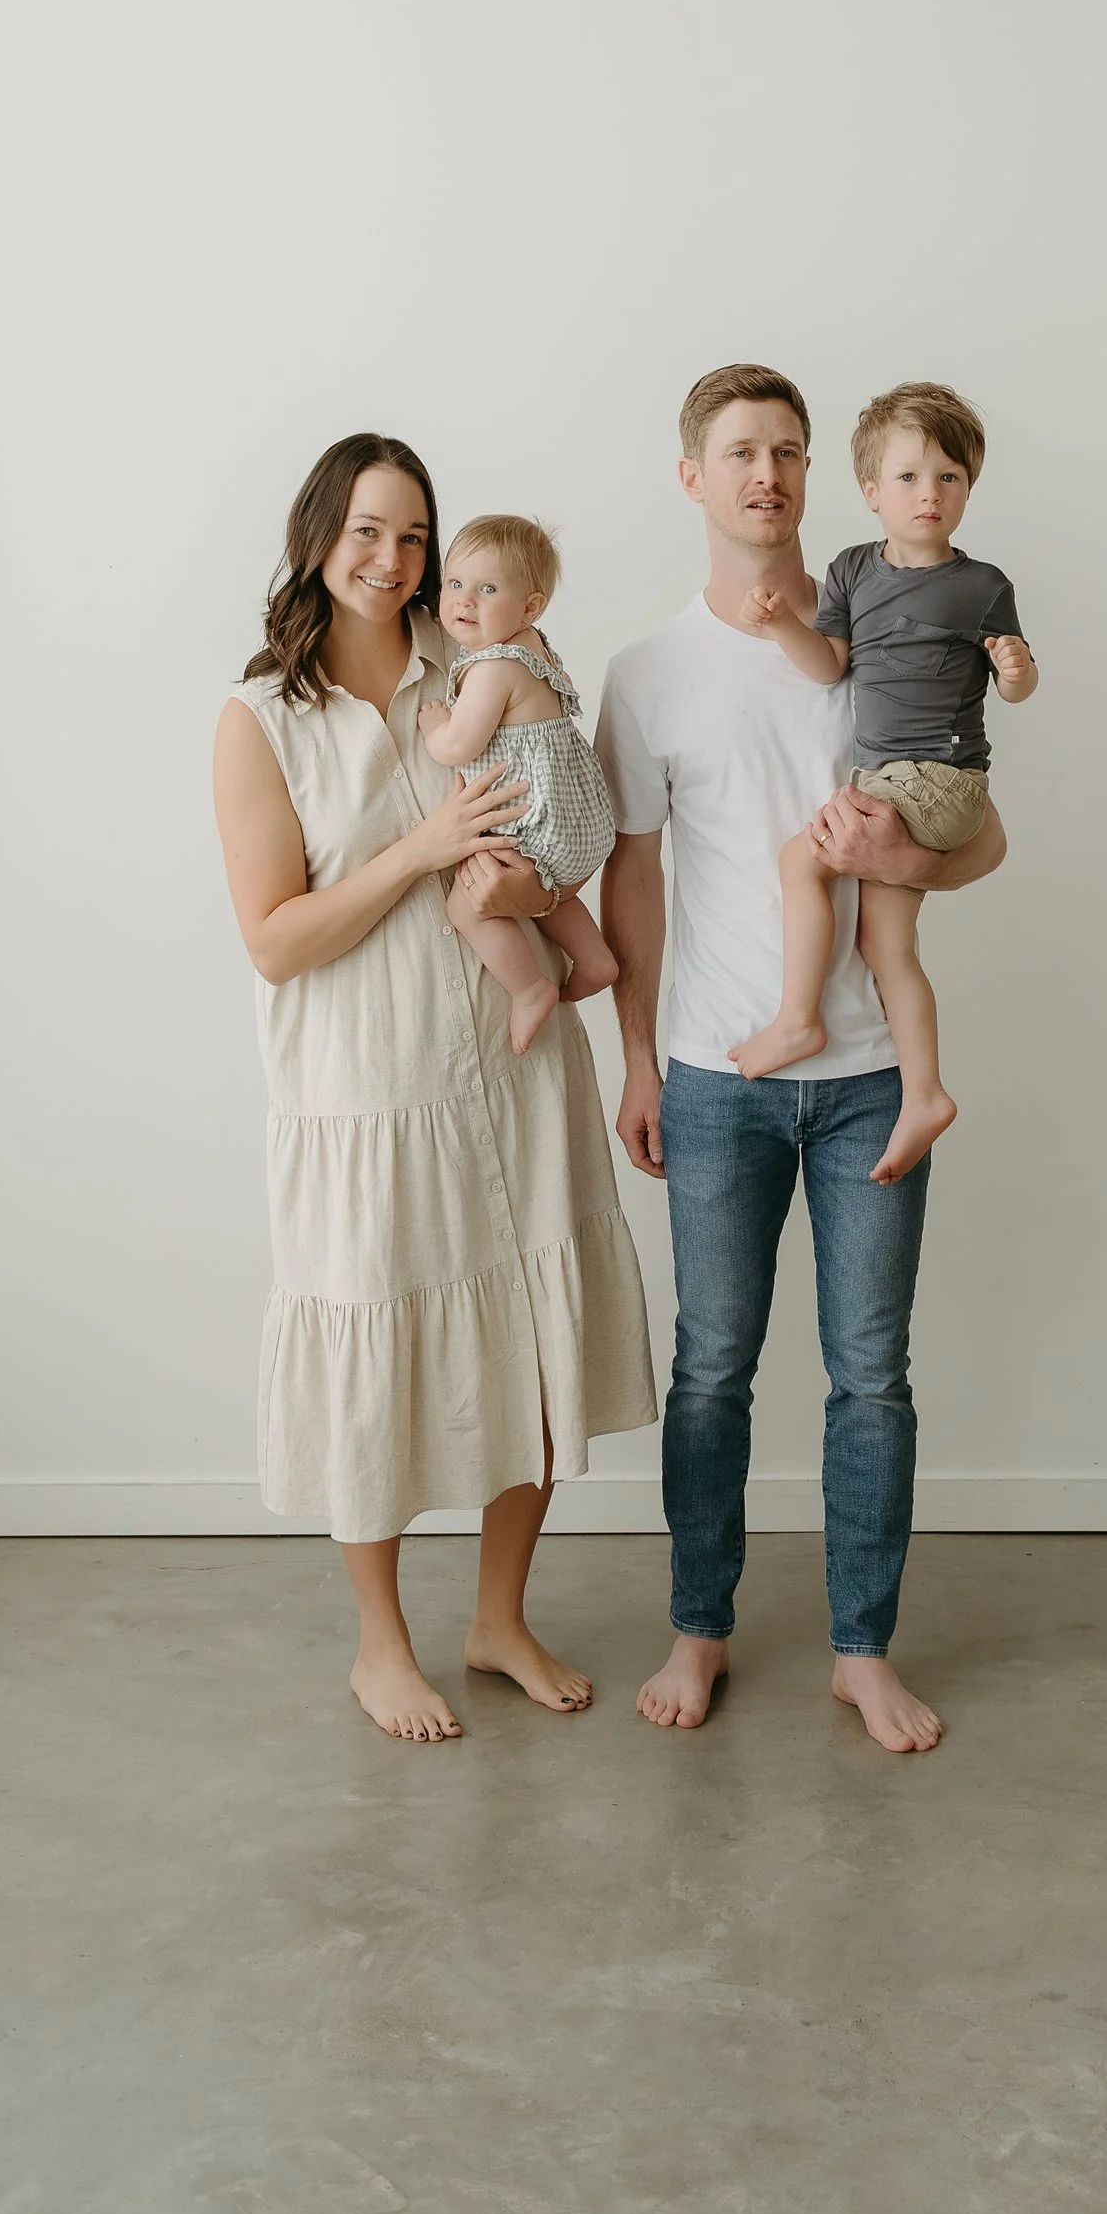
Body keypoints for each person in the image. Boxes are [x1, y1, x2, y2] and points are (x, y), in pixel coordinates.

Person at [214, 434, 657, 1744]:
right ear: (317, 535)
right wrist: (420, 849)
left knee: (530, 1334)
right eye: (367, 529)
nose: (393, 558)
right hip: (368, 1087)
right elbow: (274, 939)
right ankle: (380, 1644)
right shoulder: (263, 719)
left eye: (413, 535)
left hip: (513, 1064)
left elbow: (552, 822)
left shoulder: (476, 659)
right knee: (377, 1357)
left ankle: (499, 1619)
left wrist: (532, 887)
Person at [594, 369, 1006, 1756]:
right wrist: (638, 1059)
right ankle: (697, 1627)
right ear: (692, 478)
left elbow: (982, 835)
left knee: (870, 1375)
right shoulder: (648, 673)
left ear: (814, 473)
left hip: (875, 1077)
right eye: (737, 451)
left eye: (786, 450)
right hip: (718, 1074)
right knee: (710, 1367)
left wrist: (909, 856)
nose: (764, 472)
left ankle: (861, 1651)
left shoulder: (880, 631)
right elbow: (633, 879)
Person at [734, 382, 1036, 1186]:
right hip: (893, 779)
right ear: (871, 490)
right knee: (885, 945)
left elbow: (1015, 687)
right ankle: (924, 1092)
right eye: (908, 477)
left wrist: (1015, 672)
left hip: (940, 780)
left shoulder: (982, 586)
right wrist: (783, 625)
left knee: (801, 860)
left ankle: (797, 1020)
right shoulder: (852, 572)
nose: (929, 494)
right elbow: (828, 665)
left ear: (968, 488)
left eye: (948, 478)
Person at [421, 514, 619, 1056]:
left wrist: (436, 724)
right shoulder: (534, 648)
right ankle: (594, 958)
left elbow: (458, 745)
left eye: (487, 589)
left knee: (466, 908)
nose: (464, 601)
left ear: (529, 607)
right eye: (454, 583)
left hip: (534, 826)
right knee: (552, 894)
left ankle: (530, 988)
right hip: (577, 825)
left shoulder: (494, 667)